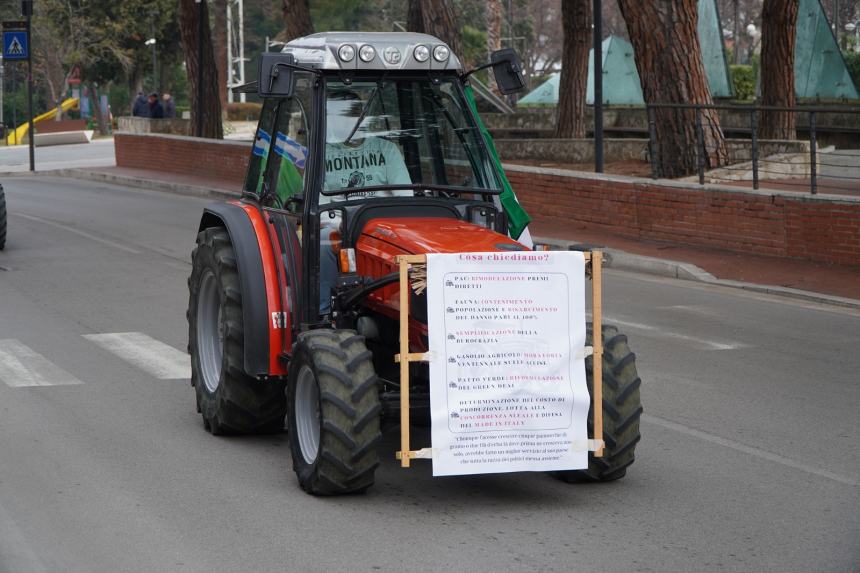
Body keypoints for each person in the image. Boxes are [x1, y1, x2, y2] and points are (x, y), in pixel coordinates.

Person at [318, 89, 412, 313]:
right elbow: (319, 205)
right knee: (322, 242)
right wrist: (337, 224)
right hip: (340, 223)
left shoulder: (386, 150)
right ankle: (323, 311)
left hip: (383, 224)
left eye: (353, 115)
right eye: (341, 117)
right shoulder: (323, 155)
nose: (348, 123)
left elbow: (405, 198)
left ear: (363, 117)